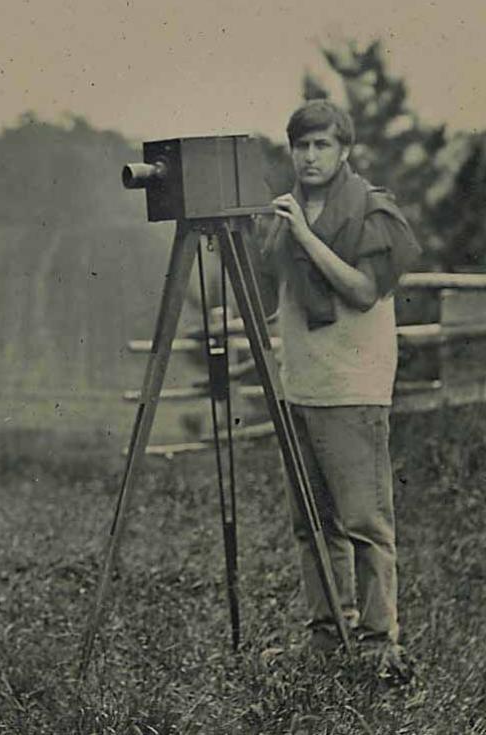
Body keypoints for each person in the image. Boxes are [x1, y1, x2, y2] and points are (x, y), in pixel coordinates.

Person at [260, 99, 421, 680]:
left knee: (365, 523)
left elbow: (359, 290)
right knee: (312, 523)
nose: (309, 156)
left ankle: (380, 643)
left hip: (352, 387)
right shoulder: (285, 212)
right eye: (301, 145)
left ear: (344, 150)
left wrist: (303, 234)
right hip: (301, 384)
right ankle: (327, 634)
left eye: (322, 145)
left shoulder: (372, 213)